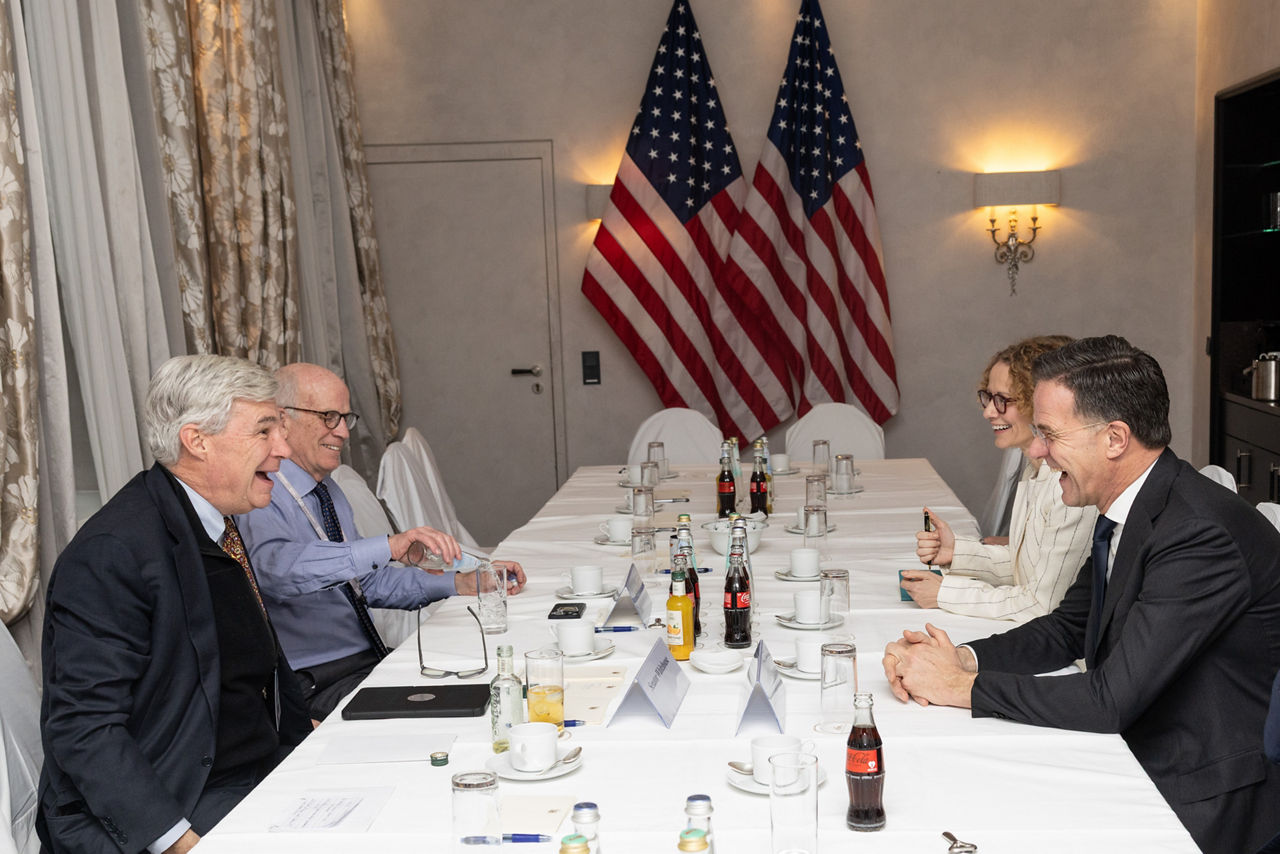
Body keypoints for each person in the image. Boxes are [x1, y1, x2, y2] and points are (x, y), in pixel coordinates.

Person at [882, 336, 1280, 853]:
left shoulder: (1197, 533)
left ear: (1115, 438)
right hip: (1140, 741)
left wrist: (960, 687)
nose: (1038, 451)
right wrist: (960, 657)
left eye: (1049, 434)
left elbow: (1110, 699)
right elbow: (1068, 626)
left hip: (1198, 785)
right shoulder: (1132, 507)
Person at [37, 356, 312, 854]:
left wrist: (310, 741)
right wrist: (179, 842)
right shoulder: (113, 552)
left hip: (248, 775)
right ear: (197, 440)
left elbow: (253, 664)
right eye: (265, 430)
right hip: (173, 801)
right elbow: (84, 727)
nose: (285, 449)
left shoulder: (214, 520)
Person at [238, 363, 527, 719]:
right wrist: (388, 547)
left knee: (498, 679)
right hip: (316, 682)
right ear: (282, 420)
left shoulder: (327, 491)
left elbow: (366, 585)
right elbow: (280, 572)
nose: (342, 432)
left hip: (366, 661)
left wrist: (463, 582)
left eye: (346, 418)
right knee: (468, 706)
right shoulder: (262, 491)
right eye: (329, 417)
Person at [902, 335, 1097, 622]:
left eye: (1002, 400)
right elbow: (1026, 567)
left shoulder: (1069, 486)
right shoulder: (1035, 469)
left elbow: (1042, 605)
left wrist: (946, 593)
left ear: (1042, 402)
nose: (988, 411)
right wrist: (955, 551)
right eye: (988, 397)